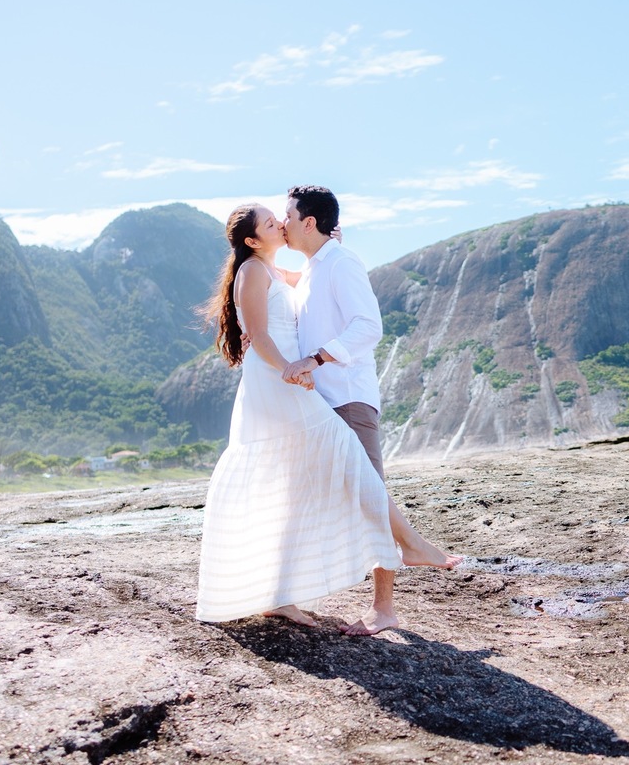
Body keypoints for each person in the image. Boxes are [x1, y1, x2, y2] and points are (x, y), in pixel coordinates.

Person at [194, 203, 455, 634]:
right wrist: (291, 370)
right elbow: (257, 335)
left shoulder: (276, 271)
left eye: (282, 218)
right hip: (279, 380)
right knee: (346, 456)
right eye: (270, 222)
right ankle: (410, 544)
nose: (280, 224)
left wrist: (332, 247)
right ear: (253, 240)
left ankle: (280, 596)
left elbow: (314, 281)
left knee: (295, 487)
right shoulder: (252, 272)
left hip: (289, 378)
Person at [279, 185, 461, 635]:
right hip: (319, 403)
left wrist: (315, 359)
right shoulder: (315, 267)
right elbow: (287, 284)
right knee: (311, 496)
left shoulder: (342, 262)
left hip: (347, 398)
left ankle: (386, 606)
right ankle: (283, 594)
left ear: (309, 222)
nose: (282, 224)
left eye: (287, 216)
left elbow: (369, 327)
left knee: (370, 495)